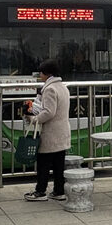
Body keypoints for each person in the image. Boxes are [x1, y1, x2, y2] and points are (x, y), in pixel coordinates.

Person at [23, 59, 71, 202]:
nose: (40, 75)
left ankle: (40, 191)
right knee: (58, 165)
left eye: (41, 72)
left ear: (47, 73)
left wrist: (34, 119)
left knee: (43, 163)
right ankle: (58, 191)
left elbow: (49, 112)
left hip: (51, 133)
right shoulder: (63, 87)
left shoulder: (50, 89)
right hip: (62, 131)